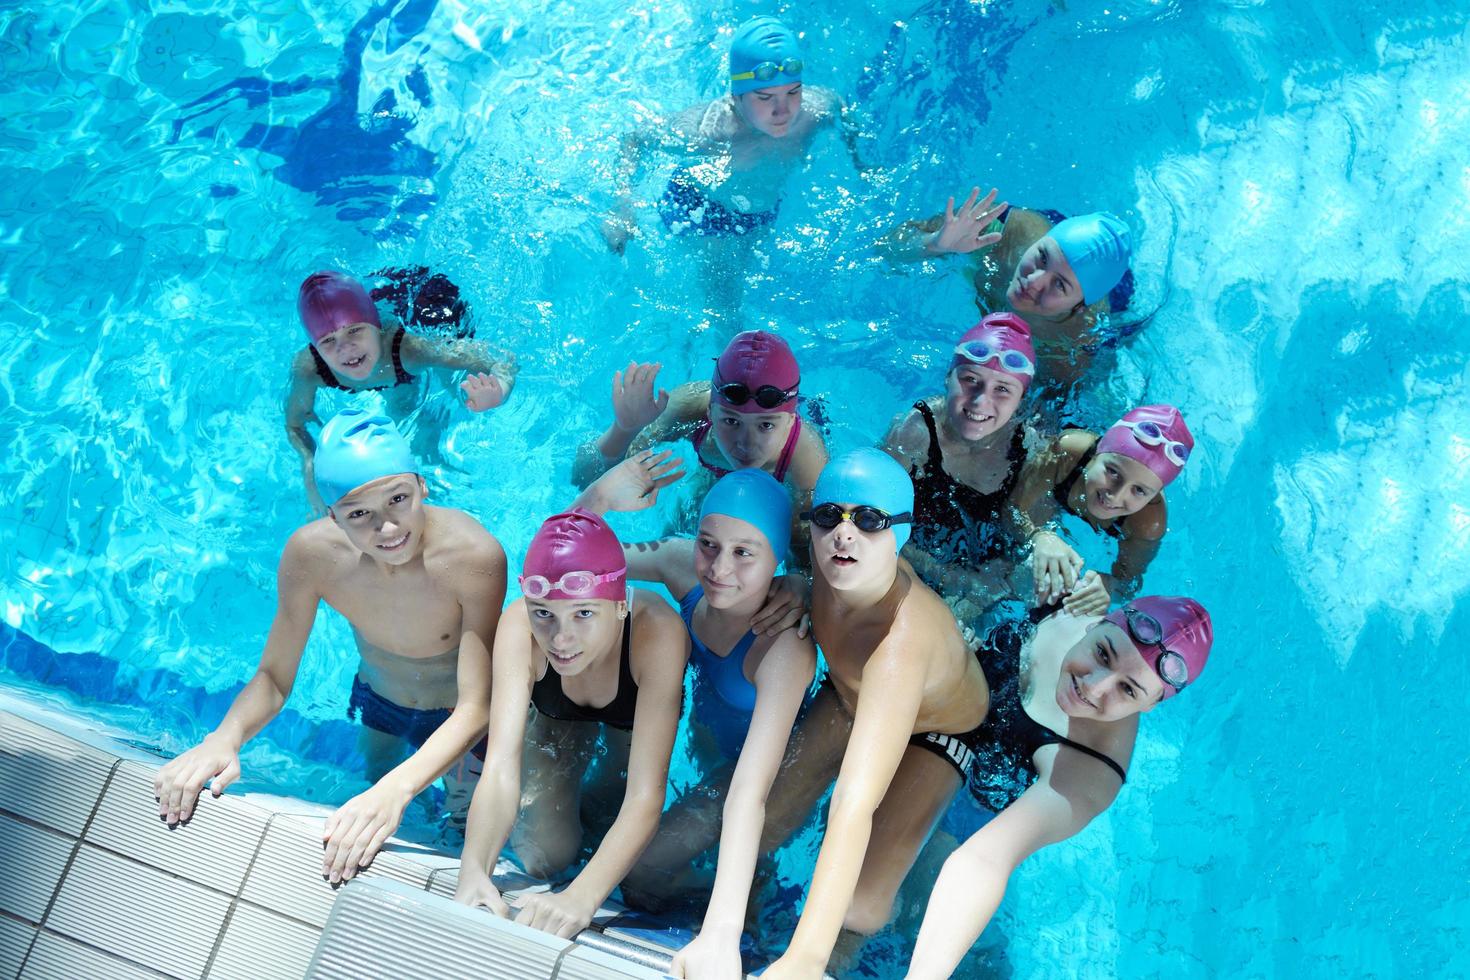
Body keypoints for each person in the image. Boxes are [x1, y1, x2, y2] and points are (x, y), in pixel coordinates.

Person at [152, 409, 507, 883]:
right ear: (331, 515)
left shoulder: (472, 557)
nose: (386, 528)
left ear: (422, 486)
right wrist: (224, 738)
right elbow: (274, 678)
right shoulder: (312, 556)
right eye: (359, 514)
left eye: (398, 499)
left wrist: (396, 791)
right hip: (379, 698)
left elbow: (477, 704)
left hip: (458, 716)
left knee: (460, 828)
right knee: (371, 785)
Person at [755, 449, 990, 979]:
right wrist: (796, 581)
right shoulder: (825, 563)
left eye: (869, 520)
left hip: (936, 731)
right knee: (758, 826)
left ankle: (928, 856)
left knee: (858, 909)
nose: (844, 534)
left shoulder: (899, 646)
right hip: (850, 697)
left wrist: (803, 960)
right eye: (828, 516)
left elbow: (850, 808)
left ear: (901, 533)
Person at [579, 464, 817, 979]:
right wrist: (596, 499)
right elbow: (565, 562)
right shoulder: (679, 567)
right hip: (709, 755)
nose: (718, 568)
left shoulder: (783, 647)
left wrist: (719, 933)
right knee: (591, 828)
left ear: (779, 559)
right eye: (708, 543)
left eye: (744, 553)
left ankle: (752, 912)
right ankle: (745, 882)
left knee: (641, 874)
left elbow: (749, 793)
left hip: (758, 773)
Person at [904, 596, 1215, 978]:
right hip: (933, 733)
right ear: (1096, 623)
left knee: (911, 901)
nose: (1094, 688)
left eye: (1129, 691)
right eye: (1102, 654)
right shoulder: (1065, 599)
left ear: (1150, 705)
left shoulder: (1092, 772)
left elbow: (984, 858)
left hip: (971, 809)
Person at [453, 507, 690, 939]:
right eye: (544, 613)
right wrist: (474, 871)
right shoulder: (520, 625)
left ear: (619, 607)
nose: (561, 640)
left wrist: (581, 898)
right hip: (555, 716)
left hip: (629, 717)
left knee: (620, 822)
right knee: (543, 855)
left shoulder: (658, 634)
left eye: (583, 614)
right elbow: (501, 765)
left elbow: (646, 795)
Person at [600, 16, 870, 319]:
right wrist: (622, 205)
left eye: (793, 92)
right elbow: (634, 139)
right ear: (737, 96)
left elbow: (841, 109)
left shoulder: (814, 112)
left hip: (761, 211)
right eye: (765, 97)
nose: (783, 110)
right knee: (724, 303)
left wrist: (861, 163)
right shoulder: (708, 133)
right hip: (702, 210)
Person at [285, 270, 519, 511]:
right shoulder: (309, 370)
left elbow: (503, 360)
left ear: (376, 326)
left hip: (431, 309)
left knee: (453, 393)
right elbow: (295, 425)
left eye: (354, 330)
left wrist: (499, 391)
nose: (346, 348)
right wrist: (310, 462)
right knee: (404, 412)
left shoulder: (412, 350)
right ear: (315, 348)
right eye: (328, 341)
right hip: (389, 347)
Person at [880, 194, 1133, 398]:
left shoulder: (1072, 349)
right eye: (1042, 257)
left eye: (1059, 284)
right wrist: (934, 244)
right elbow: (884, 248)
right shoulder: (1003, 230)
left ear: (1078, 307)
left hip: (1119, 298)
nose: (1034, 282)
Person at [572, 330, 828, 530]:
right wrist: (624, 429)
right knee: (676, 534)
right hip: (713, 475)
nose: (746, 443)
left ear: (791, 421)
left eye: (766, 425)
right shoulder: (687, 406)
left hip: (776, 492)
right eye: (731, 421)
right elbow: (583, 481)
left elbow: (804, 555)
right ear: (710, 412)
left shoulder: (806, 459)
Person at [881, 312, 1035, 622]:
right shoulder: (915, 433)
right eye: (969, 380)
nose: (980, 402)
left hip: (984, 579)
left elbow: (1029, 534)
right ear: (948, 378)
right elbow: (872, 523)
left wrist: (995, 580)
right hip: (914, 561)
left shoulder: (1028, 448)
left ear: (1021, 400)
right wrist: (954, 579)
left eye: (1003, 389)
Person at [1012, 404, 1193, 615]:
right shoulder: (1067, 452)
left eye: (1139, 490)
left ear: (1154, 495)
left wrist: (1110, 585)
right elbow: (1012, 509)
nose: (1115, 495)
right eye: (1113, 472)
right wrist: (1039, 535)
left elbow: (1129, 584)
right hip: (1073, 423)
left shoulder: (1148, 523)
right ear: (1098, 453)